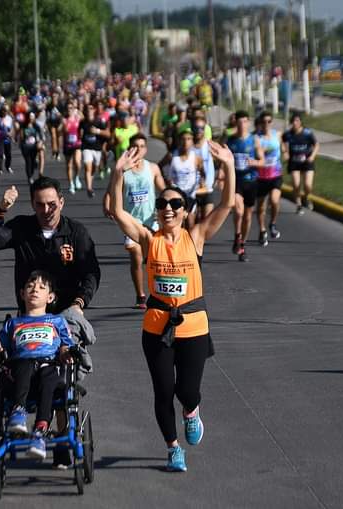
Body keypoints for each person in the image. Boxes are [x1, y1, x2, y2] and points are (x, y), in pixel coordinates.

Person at [108, 141, 236, 473]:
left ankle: (191, 412)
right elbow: (118, 212)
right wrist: (116, 173)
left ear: (184, 209)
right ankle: (172, 448)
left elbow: (225, 204)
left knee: (186, 390)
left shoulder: (196, 237)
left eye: (175, 204)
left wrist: (229, 167)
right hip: (156, 326)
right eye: (163, 203)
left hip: (193, 326)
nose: (168, 208)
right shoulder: (149, 239)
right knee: (163, 390)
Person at [0, 176, 101, 469]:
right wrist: (0, 210)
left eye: (51, 204)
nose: (46, 209)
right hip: (31, 315)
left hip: (66, 313)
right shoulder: (23, 228)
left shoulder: (75, 233)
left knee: (60, 374)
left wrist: (79, 303)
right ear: (32, 204)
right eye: (39, 204)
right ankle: (20, 414)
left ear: (61, 201)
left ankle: (58, 438)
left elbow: (92, 271)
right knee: (23, 361)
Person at [0, 270, 74, 460]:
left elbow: (67, 345)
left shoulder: (57, 321)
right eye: (30, 286)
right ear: (22, 294)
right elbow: (0, 344)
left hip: (49, 371)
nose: (35, 289)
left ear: (50, 297)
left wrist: (66, 352)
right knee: (25, 364)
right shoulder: (13, 324)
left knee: (48, 373)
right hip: (20, 373)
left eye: (42, 287)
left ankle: (40, 431)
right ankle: (18, 412)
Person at [103, 133, 164, 309]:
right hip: (130, 221)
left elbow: (163, 189)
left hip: (151, 220)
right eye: (135, 146)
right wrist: (107, 205)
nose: (138, 149)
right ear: (130, 148)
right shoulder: (123, 169)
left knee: (153, 258)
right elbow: (110, 190)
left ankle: (157, 293)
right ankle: (140, 295)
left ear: (146, 149)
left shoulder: (152, 168)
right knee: (136, 256)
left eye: (142, 146)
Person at [226, 111, 264, 262]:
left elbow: (262, 161)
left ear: (248, 123)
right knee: (239, 211)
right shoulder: (231, 141)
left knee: (248, 216)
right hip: (237, 181)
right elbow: (225, 160)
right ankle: (237, 234)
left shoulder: (254, 140)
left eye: (244, 122)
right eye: (239, 122)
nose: (242, 125)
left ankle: (242, 243)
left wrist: (253, 162)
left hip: (251, 180)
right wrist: (223, 175)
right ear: (236, 124)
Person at [161, 128, 204, 229]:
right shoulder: (172, 156)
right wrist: (166, 179)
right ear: (179, 141)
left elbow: (202, 172)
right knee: (177, 225)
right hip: (176, 196)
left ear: (192, 142)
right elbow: (159, 166)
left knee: (190, 222)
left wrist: (202, 182)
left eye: (189, 139)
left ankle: (189, 243)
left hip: (190, 196)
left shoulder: (196, 158)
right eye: (183, 139)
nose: (186, 142)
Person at [254, 111, 284, 246]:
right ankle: (262, 230)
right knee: (260, 207)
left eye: (269, 121)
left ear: (272, 122)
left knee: (274, 200)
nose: (266, 124)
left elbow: (283, 147)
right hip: (261, 176)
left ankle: (272, 223)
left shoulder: (277, 135)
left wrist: (286, 152)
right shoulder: (256, 138)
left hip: (276, 174)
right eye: (264, 122)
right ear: (260, 123)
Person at [282, 113, 319, 214]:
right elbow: (282, 141)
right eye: (293, 121)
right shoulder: (288, 134)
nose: (295, 123)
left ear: (301, 122)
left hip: (307, 162)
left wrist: (312, 156)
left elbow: (316, 145)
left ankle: (306, 198)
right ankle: (298, 205)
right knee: (296, 184)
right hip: (294, 162)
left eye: (297, 121)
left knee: (308, 185)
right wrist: (285, 152)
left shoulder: (307, 133)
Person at [80, 103, 110, 198]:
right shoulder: (83, 122)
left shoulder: (99, 121)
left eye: (91, 108)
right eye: (88, 109)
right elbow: (78, 133)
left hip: (97, 148)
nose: (89, 110)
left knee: (94, 168)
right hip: (86, 148)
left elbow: (108, 134)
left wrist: (98, 131)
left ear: (94, 110)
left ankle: (91, 180)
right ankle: (89, 188)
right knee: (87, 167)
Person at [191, 116, 216, 222]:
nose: (199, 131)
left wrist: (221, 174)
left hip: (207, 188)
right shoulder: (187, 145)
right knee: (192, 224)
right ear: (192, 128)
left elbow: (221, 159)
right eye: (196, 128)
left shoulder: (210, 145)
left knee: (205, 221)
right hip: (191, 190)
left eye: (202, 128)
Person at [62, 104, 83, 194]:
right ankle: (71, 184)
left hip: (77, 144)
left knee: (77, 162)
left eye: (71, 108)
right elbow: (65, 130)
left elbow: (84, 117)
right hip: (67, 145)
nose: (69, 110)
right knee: (69, 165)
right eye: (68, 108)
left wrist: (77, 111)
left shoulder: (77, 118)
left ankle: (77, 177)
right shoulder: (64, 120)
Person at [19, 112, 41, 184]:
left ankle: (31, 174)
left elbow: (40, 136)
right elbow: (21, 136)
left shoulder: (36, 126)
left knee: (33, 161)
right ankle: (29, 177)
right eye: (30, 117)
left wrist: (39, 142)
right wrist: (22, 143)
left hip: (34, 147)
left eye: (32, 117)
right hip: (25, 147)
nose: (31, 118)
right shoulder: (23, 126)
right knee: (28, 162)